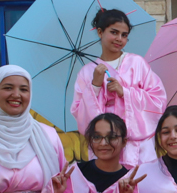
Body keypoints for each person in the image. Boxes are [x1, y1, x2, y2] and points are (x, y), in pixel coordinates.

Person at [71, 8, 167, 166]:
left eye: (124, 35)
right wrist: (95, 85)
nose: (119, 39)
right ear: (100, 32)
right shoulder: (87, 72)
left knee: (141, 179)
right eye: (114, 32)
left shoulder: (137, 63)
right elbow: (79, 113)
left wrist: (125, 93)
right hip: (104, 145)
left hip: (137, 146)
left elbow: (158, 101)